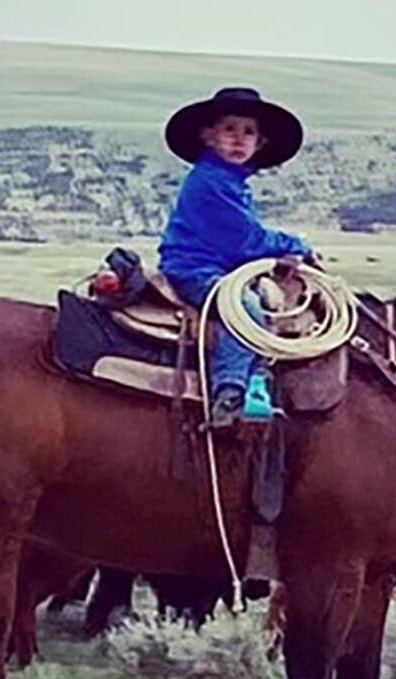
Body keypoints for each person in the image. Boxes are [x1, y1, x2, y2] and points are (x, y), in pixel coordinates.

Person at [158, 87, 314, 429]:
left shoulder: (230, 181)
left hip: (219, 268)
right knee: (245, 308)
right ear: (208, 136)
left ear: (259, 143)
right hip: (193, 270)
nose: (239, 140)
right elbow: (244, 241)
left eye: (249, 132)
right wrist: (296, 245)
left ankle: (258, 377)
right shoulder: (210, 181)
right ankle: (229, 394)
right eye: (229, 129)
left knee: (273, 304)